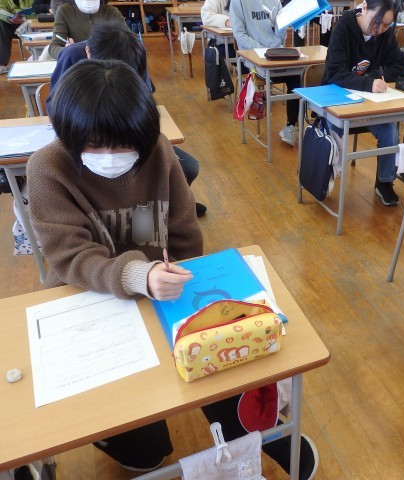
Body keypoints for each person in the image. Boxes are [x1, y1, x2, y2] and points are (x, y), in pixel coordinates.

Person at [28, 60, 318, 478]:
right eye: (96, 145)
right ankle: (121, 433)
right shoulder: (48, 168)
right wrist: (138, 276)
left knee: (218, 363)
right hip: (88, 300)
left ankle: (262, 432)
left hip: (161, 292)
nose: (111, 157)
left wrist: (181, 288)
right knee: (147, 453)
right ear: (69, 135)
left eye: (124, 145)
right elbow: (71, 257)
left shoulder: (156, 152)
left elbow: (182, 236)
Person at [46, 21, 208, 217]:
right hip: (86, 140)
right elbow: (55, 106)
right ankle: (132, 214)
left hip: (126, 134)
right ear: (88, 53)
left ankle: (172, 205)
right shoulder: (72, 57)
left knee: (188, 167)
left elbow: (144, 100)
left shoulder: (135, 52)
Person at [322, 0, 404, 207]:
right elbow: (334, 73)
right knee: (332, 130)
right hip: (336, 100)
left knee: (389, 131)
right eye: (376, 22)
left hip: (368, 103)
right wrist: (369, 83)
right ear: (364, 9)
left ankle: (384, 182)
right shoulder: (343, 28)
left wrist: (376, 76)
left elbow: (401, 67)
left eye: (386, 25)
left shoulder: (385, 34)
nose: (379, 29)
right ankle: (323, 175)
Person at [229, 0, 300, 146]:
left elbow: (280, 34)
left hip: (275, 54)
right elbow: (239, 34)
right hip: (253, 57)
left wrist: (281, 28)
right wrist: (261, 50)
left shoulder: (275, 1)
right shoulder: (238, 2)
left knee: (297, 77)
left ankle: (290, 125)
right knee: (265, 73)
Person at [48, 0, 124, 59]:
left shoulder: (112, 12)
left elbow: (127, 43)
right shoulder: (64, 11)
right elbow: (53, 48)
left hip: (107, 64)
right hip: (78, 65)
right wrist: (69, 51)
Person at [0, 0, 33, 74]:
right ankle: (1, 63)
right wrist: (10, 18)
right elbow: (1, 12)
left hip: (27, 22)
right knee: (1, 24)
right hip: (9, 24)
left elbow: (37, 10)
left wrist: (23, 18)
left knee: (29, 25)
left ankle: (36, 56)